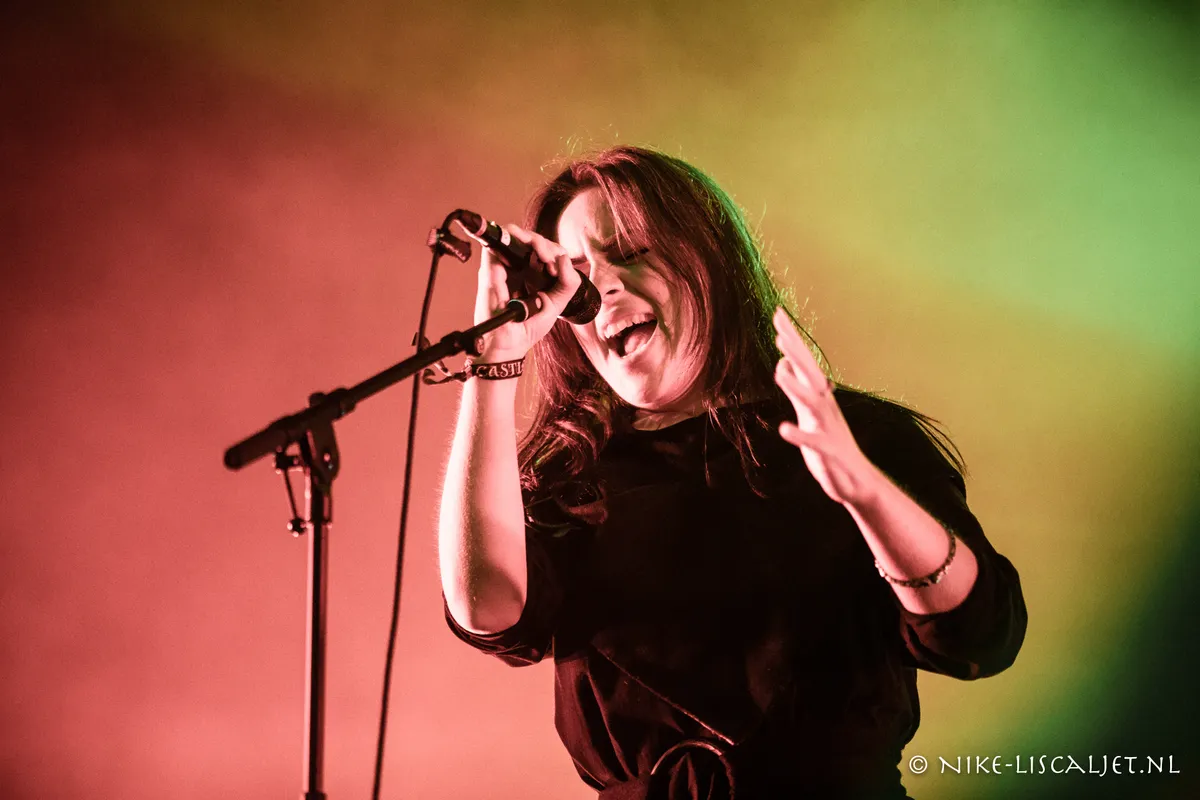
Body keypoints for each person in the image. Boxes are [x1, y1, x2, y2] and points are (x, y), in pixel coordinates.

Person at [437, 145, 1026, 799]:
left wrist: (867, 493)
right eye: (577, 278)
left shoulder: (853, 436)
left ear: (707, 258)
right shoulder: (573, 480)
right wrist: (492, 360)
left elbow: (980, 634)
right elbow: (488, 612)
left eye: (628, 253)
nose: (601, 289)